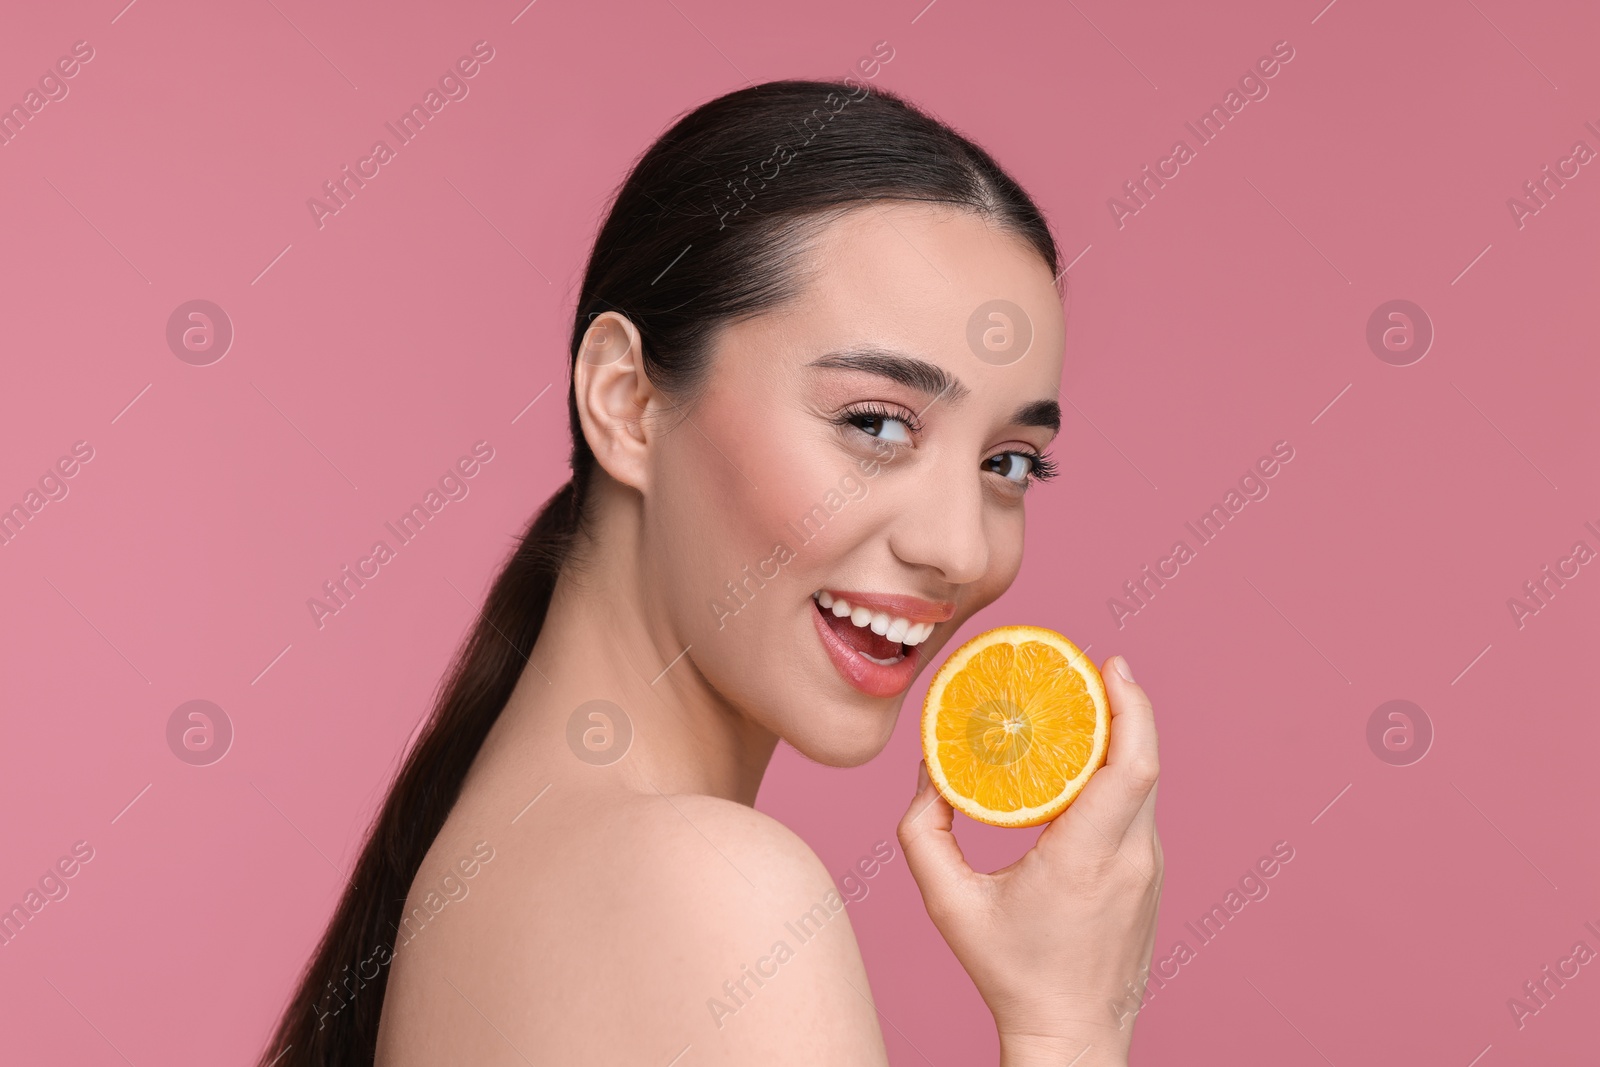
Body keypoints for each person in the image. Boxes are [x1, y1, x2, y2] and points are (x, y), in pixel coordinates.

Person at [260, 78, 1163, 1067]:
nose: (959, 547)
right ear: (627, 402)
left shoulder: (493, 860)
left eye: (1008, 463)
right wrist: (1067, 1024)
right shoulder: (711, 890)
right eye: (873, 423)